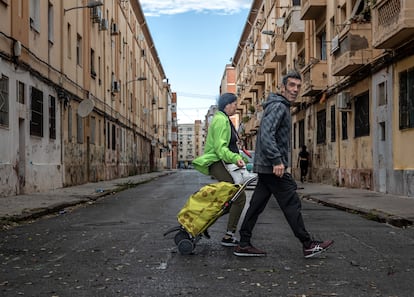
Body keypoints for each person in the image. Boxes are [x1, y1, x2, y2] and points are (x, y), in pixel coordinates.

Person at [234, 71, 334, 258]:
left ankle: (243, 242)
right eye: (291, 85)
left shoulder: (278, 106)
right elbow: (266, 135)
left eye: (298, 86)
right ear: (282, 88)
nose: (295, 89)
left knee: (256, 205)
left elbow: (267, 134)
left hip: (266, 166)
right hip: (272, 167)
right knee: (291, 201)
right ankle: (307, 243)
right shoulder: (279, 106)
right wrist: (277, 160)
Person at [192, 93, 249, 247]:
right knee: (239, 197)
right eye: (234, 104)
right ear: (227, 104)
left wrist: (240, 155)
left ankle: (202, 224)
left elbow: (228, 145)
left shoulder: (224, 119)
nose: (236, 107)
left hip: (222, 162)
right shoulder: (219, 120)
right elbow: (220, 148)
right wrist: (235, 158)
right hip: (218, 162)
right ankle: (228, 236)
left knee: (231, 200)